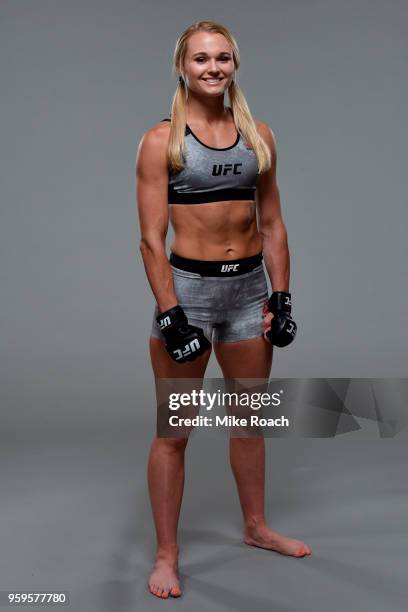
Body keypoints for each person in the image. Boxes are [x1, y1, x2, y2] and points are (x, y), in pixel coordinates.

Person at [136, 20, 311, 600]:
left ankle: (257, 527)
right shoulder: (163, 141)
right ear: (182, 68)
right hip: (191, 294)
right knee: (174, 432)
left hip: (247, 294)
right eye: (201, 59)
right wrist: (170, 314)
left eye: (223, 58)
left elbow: (275, 224)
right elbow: (149, 239)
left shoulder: (258, 135)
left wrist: (281, 297)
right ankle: (167, 554)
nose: (213, 68)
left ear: (235, 64)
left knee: (249, 422)